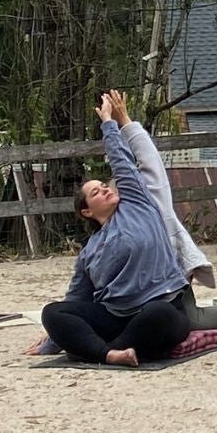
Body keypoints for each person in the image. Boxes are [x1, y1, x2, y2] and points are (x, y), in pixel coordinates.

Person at [38, 91, 196, 365]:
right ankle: (111, 354)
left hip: (159, 308)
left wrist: (109, 122)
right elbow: (78, 296)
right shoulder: (90, 251)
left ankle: (101, 351)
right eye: (96, 192)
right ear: (86, 211)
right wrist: (54, 339)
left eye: (104, 186)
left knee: (159, 314)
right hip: (113, 315)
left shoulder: (139, 205)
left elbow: (122, 163)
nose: (104, 190)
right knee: (52, 312)